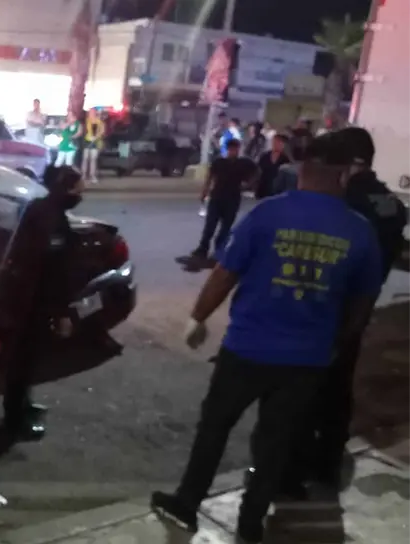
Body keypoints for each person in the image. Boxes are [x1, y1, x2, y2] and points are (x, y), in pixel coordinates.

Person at [151, 132, 384, 544]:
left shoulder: (267, 214)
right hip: (306, 359)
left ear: (300, 172)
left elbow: (226, 272)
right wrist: (335, 343)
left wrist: (197, 317)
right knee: (275, 443)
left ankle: (187, 504)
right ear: (343, 176)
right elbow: (362, 304)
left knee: (215, 428)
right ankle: (250, 523)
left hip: (247, 350)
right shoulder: (359, 231)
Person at [251, 127, 408, 495]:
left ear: (349, 164)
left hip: (321, 310)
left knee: (298, 395)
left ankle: (287, 473)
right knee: (338, 392)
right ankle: (325, 465)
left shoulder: (345, 203)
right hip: (359, 309)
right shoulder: (393, 205)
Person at [0, 165, 86, 440]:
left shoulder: (42, 208)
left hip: (28, 299)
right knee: (22, 361)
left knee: (26, 361)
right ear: (66, 189)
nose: (81, 194)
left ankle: (22, 405)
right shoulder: (50, 220)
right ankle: (14, 420)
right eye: (79, 189)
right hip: (31, 303)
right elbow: (50, 271)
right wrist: (62, 312)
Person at [189, 139, 258, 266]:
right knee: (210, 225)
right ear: (228, 149)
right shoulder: (219, 162)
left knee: (226, 227)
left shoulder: (243, 163)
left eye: (235, 149)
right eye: (231, 149)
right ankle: (203, 248)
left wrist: (248, 185)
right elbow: (210, 176)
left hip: (232, 198)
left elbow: (256, 173)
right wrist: (205, 191)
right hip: (217, 197)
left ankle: (219, 250)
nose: (233, 152)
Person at [254, 134, 291, 200]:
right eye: (274, 142)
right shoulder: (264, 156)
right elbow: (258, 172)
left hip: (277, 193)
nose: (276, 144)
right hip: (263, 190)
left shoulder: (285, 160)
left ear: (283, 144)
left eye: (278, 142)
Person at [81, 108, 105, 183]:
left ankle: (92, 175)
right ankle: (84, 175)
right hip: (87, 141)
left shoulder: (100, 122)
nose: (92, 113)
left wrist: (96, 137)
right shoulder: (86, 121)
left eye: (94, 112)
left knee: (93, 159)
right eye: (91, 112)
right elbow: (83, 130)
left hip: (95, 142)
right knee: (85, 158)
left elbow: (102, 131)